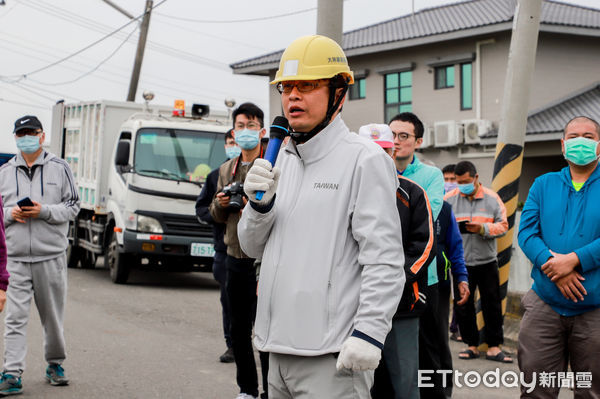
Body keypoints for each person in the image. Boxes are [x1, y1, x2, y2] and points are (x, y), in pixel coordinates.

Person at [238, 35, 405, 398]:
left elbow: (385, 260)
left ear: (339, 93)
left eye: (308, 85)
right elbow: (251, 247)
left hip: (333, 357)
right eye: (287, 87)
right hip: (275, 349)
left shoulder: (365, 160)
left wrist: (369, 334)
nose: (293, 96)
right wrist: (258, 206)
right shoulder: (279, 156)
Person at [518, 116, 600, 398]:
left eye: (588, 137)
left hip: (595, 309)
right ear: (563, 145)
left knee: (591, 392)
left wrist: (575, 259)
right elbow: (526, 233)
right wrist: (555, 267)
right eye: (574, 136)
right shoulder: (543, 184)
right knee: (535, 390)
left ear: (599, 145)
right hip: (545, 303)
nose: (581, 142)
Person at [0, 115, 80, 395]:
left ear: (42, 136)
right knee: (14, 318)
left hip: (51, 257)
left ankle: (55, 364)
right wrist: (12, 213)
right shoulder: (5, 172)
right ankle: (11, 372)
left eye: (31, 132)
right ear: (16, 138)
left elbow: (73, 206)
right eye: (21, 133)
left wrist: (43, 211)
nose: (26, 138)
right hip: (16, 258)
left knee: (52, 317)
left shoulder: (60, 168)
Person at [359, 124, 434, 399]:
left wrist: (393, 280)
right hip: (352, 305)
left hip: (402, 304)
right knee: (356, 383)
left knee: (405, 384)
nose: (380, 159)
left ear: (393, 154)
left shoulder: (412, 193)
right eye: (372, 153)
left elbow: (424, 245)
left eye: (385, 153)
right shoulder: (345, 193)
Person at [209, 104, 269, 399]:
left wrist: (253, 206)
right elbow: (215, 215)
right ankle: (247, 389)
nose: (246, 130)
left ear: (262, 130)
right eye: (241, 125)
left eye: (252, 124)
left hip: (266, 260)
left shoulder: (272, 164)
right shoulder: (225, 170)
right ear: (234, 131)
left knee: (268, 330)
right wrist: (221, 203)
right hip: (235, 255)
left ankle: (272, 389)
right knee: (239, 328)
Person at [388, 112, 446, 397]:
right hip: (383, 277)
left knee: (428, 350)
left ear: (418, 141)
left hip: (424, 277)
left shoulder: (431, 176)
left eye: (404, 136)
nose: (396, 142)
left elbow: (426, 218)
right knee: (390, 356)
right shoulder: (374, 170)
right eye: (392, 135)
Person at [444, 160, 510, 363]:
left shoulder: (492, 198)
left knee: (492, 304)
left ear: (476, 178)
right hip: (460, 262)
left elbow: (503, 226)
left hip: (487, 261)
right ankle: (471, 345)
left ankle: (494, 346)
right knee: (463, 305)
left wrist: (483, 229)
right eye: (458, 181)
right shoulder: (448, 200)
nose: (461, 185)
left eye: (465, 181)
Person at [195, 129, 239, 364]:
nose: (234, 144)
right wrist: (219, 209)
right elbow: (201, 210)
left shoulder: (261, 172)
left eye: (236, 140)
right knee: (229, 300)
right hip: (224, 250)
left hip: (253, 250)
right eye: (230, 141)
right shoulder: (216, 176)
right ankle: (232, 345)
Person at [435, 200, 470, 398]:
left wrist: (461, 278)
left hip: (437, 284)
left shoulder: (444, 209)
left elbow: (455, 247)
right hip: (402, 283)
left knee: (439, 338)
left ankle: (442, 393)